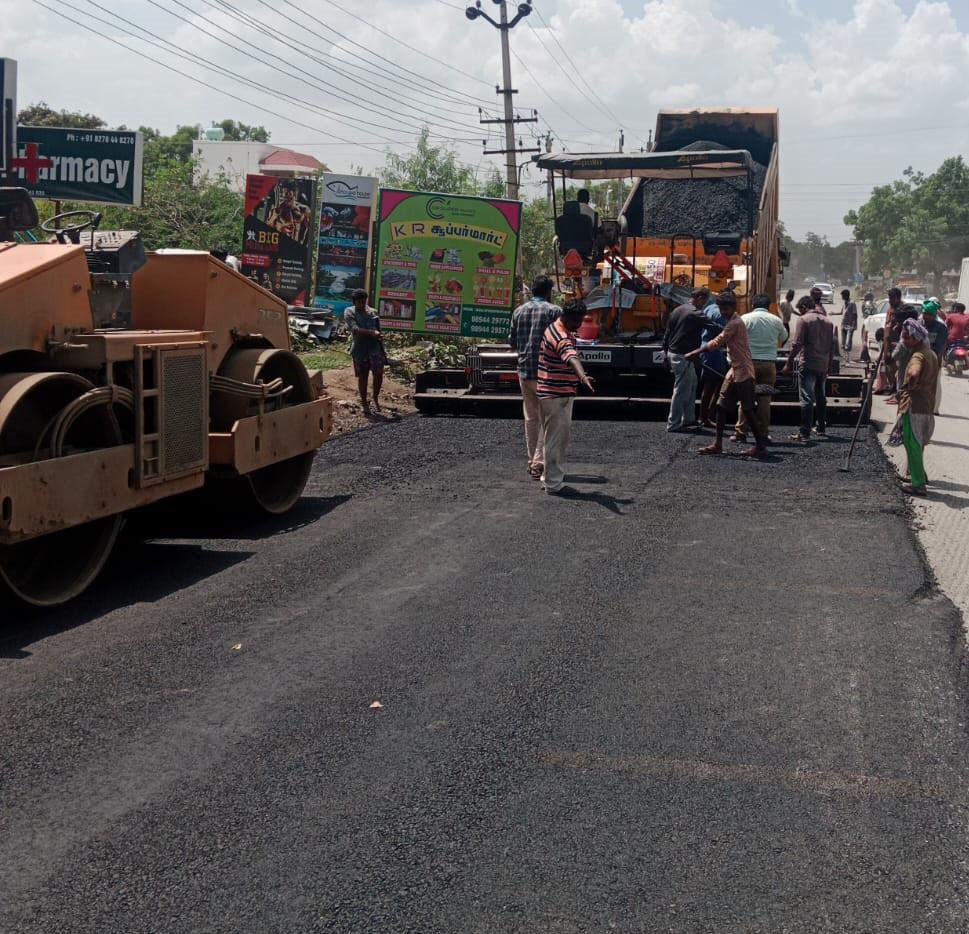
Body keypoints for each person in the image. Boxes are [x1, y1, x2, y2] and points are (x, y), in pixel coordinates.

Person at [685, 291, 768, 459]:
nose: (724, 312)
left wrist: (696, 351)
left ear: (733, 307)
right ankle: (717, 444)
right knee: (721, 407)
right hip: (734, 371)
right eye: (722, 308)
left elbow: (719, 340)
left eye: (727, 308)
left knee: (748, 410)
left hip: (743, 371)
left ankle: (760, 446)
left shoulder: (735, 323)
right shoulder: (732, 320)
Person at [537, 299, 596, 495]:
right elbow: (570, 354)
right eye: (577, 321)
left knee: (554, 438)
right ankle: (553, 484)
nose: (579, 325)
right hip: (556, 394)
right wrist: (582, 376)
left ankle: (549, 477)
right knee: (555, 439)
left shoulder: (554, 327)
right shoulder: (560, 334)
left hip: (555, 392)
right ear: (567, 317)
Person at [509, 276, 562, 479]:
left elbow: (512, 343)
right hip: (546, 372)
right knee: (548, 418)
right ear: (548, 291)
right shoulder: (554, 311)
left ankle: (532, 460)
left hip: (524, 370)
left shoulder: (518, 311)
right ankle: (539, 462)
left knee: (531, 418)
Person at [888, 318, 939, 496]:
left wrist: (909, 385)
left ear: (916, 337)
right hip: (926, 404)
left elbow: (914, 372)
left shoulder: (917, 355)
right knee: (917, 443)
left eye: (907, 338)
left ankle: (918, 485)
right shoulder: (930, 353)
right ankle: (919, 476)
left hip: (914, 405)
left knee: (912, 443)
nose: (904, 341)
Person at [733, 293, 788, 444]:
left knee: (745, 398)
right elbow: (784, 337)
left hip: (748, 364)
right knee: (764, 401)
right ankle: (763, 433)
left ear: (752, 304)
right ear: (769, 306)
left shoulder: (744, 319)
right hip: (768, 364)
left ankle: (740, 433)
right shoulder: (776, 320)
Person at [784, 291, 835, 441]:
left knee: (806, 397)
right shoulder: (828, 322)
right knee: (821, 396)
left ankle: (804, 431)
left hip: (808, 363)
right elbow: (831, 347)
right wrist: (829, 365)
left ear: (804, 307)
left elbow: (797, 344)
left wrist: (788, 362)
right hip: (823, 365)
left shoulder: (804, 320)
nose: (799, 312)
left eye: (800, 309)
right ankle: (821, 428)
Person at [663, 287, 710, 432]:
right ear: (700, 298)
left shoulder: (678, 310)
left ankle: (688, 419)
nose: (704, 305)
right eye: (705, 301)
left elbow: (667, 333)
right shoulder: (695, 312)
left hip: (675, 353)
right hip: (683, 356)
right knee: (681, 389)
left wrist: (665, 354)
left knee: (691, 384)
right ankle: (673, 424)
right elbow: (714, 327)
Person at [344, 289, 385, 415]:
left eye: (364, 302)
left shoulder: (373, 312)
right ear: (354, 302)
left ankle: (376, 399)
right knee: (363, 376)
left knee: (378, 374)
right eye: (360, 302)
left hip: (375, 348)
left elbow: (378, 329)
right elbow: (355, 329)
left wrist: (379, 338)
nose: (362, 305)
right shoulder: (349, 312)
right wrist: (371, 333)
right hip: (360, 349)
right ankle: (364, 402)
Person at [697, 295, 727, 428]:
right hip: (714, 350)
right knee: (713, 385)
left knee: (711, 385)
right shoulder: (721, 313)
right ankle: (705, 417)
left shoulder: (708, 308)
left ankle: (705, 416)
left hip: (706, 347)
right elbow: (725, 334)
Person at [921, 299, 947, 413]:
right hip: (918, 359)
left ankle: (934, 409)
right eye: (925, 314)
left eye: (929, 315)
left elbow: (939, 347)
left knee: (934, 385)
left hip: (934, 360)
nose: (926, 317)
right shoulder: (918, 324)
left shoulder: (941, 327)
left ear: (934, 315)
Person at [840, 289, 858, 355]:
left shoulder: (852, 303)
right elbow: (841, 312)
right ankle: (844, 353)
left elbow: (855, 315)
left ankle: (848, 354)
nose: (841, 297)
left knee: (849, 341)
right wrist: (833, 313)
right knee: (843, 342)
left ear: (846, 295)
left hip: (850, 324)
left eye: (842, 295)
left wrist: (853, 325)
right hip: (844, 323)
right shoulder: (844, 303)